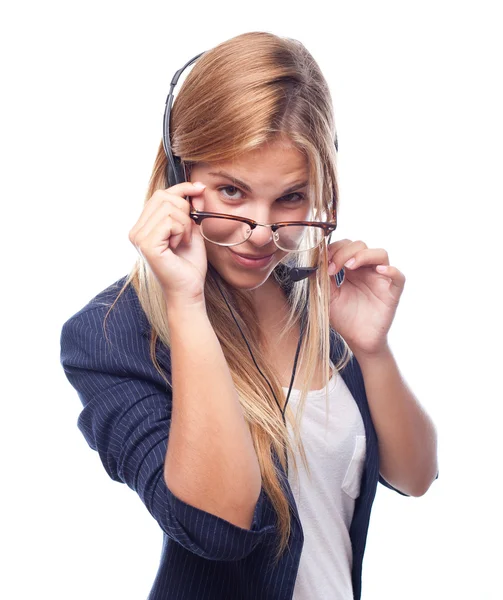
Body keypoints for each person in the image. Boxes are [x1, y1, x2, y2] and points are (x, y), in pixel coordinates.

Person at [60, 31, 438, 600]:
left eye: (290, 198)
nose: (262, 231)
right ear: (176, 177)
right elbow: (218, 526)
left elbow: (415, 476)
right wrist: (187, 304)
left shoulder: (316, 304)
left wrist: (372, 350)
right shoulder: (112, 333)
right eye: (232, 192)